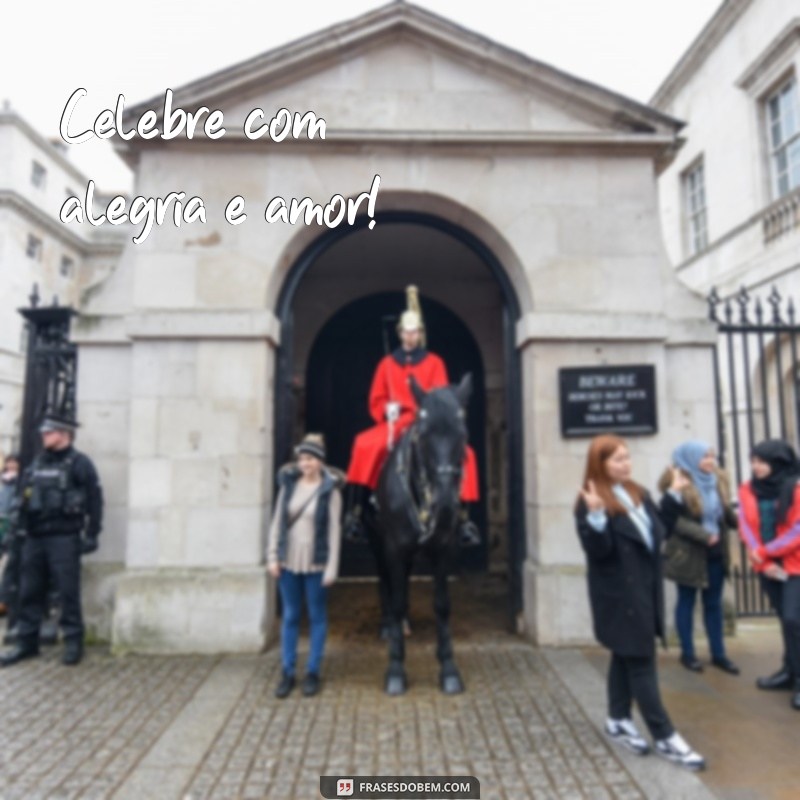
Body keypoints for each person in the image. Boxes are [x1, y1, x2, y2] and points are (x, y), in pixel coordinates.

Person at [575, 434, 705, 770]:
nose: (625, 464)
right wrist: (597, 518)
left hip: (644, 590)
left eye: (627, 457)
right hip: (619, 595)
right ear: (599, 464)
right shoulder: (590, 500)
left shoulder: (638, 493)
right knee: (641, 662)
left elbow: (659, 527)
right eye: (617, 459)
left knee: (626, 652)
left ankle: (618, 719)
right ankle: (665, 736)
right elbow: (598, 552)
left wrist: (673, 495)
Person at [343, 285, 480, 546]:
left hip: (425, 422)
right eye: (406, 331)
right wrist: (386, 409)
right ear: (400, 333)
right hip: (395, 421)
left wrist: (426, 414)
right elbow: (376, 398)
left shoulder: (435, 362)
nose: (410, 336)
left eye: (415, 331)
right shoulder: (385, 364)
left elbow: (441, 398)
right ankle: (356, 514)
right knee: (364, 443)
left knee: (467, 455)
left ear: (420, 333)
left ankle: (464, 519)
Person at [0, 414, 103, 667]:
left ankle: (73, 641)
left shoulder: (80, 464)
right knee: (29, 591)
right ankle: (26, 642)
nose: (44, 435)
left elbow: (94, 500)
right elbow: (22, 500)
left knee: (67, 592)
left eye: (50, 432)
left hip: (64, 537)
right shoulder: (36, 464)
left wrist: (92, 534)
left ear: (65, 433)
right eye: (44, 432)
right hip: (34, 537)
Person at [266, 433, 343, 698]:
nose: (305, 464)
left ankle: (312, 671)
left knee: (317, 616)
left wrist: (332, 568)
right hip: (289, 559)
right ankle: (287, 671)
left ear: (320, 461)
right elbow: (277, 522)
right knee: (290, 616)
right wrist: (272, 557)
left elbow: (334, 531)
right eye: (302, 459)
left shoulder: (329, 492)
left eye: (310, 459)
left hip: (316, 561)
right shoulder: (288, 486)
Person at [658, 441, 740, 675]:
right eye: (705, 456)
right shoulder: (678, 482)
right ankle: (688, 653)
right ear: (691, 458)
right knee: (686, 601)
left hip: (715, 553)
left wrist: (742, 525)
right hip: (689, 553)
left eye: (712, 456)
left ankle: (719, 654)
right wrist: (703, 535)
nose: (710, 461)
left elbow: (724, 512)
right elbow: (673, 520)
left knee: (713, 604)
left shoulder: (718, 480)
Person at [738, 439, 800, 710]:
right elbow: (745, 525)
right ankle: (789, 671)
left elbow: (797, 530)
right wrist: (761, 559)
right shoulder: (747, 489)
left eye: (762, 461)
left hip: (794, 564)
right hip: (767, 566)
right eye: (753, 461)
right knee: (784, 621)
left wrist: (765, 551)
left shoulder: (796, 487)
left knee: (793, 619)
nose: (756, 467)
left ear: (778, 463)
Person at [0, 454, 21, 618]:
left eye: (14, 462)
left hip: (10, 525)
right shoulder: (3, 481)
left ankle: (4, 601)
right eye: (9, 462)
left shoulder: (20, 482)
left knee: (8, 565)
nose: (11, 465)